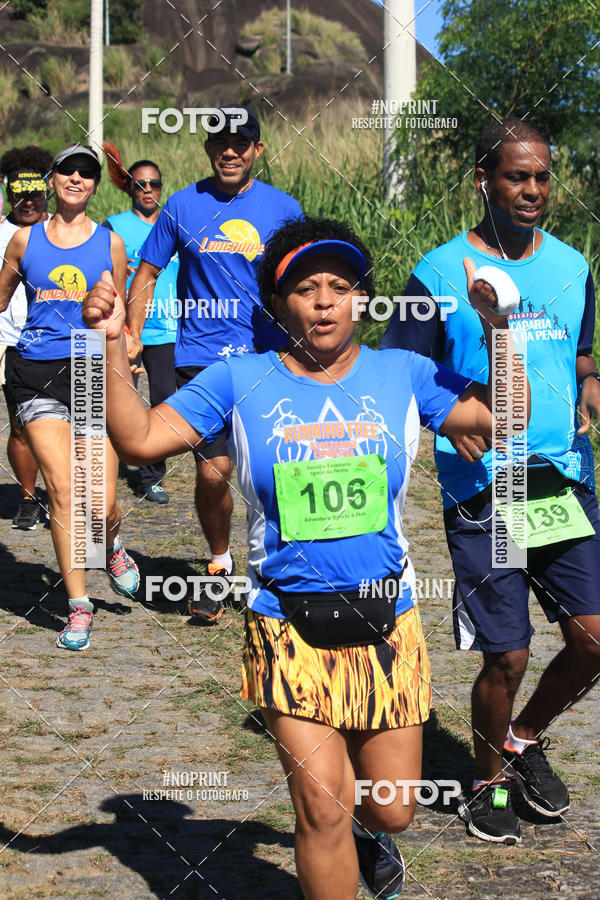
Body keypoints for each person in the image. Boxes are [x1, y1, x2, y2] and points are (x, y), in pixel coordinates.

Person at [83, 215, 528, 898]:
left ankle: (371, 837)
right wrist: (111, 342)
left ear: (362, 299)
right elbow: (140, 438)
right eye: (305, 288)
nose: (324, 302)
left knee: (391, 809)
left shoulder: (403, 373)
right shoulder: (238, 378)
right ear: (276, 302)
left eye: (340, 287)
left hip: (388, 620)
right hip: (285, 622)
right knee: (322, 810)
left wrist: (500, 327)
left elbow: (507, 418)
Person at [381, 117, 600, 844]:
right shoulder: (439, 272)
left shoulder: (572, 266)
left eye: (541, 177)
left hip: (562, 479)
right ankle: (486, 784)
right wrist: (444, 416)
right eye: (516, 176)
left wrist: (590, 384)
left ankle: (522, 738)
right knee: (507, 654)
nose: (532, 189)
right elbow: (400, 370)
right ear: (484, 180)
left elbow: (580, 353)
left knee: (595, 639)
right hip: (485, 488)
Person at [125, 105, 302, 622]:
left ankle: (282, 571)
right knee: (213, 470)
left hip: (268, 358)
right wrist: (133, 335)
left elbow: (302, 279)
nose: (230, 151)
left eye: (240, 143)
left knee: (278, 470)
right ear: (207, 148)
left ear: (257, 150)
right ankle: (220, 564)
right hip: (201, 361)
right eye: (220, 142)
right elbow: (146, 274)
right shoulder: (181, 205)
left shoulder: (284, 208)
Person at [0, 144, 140, 652]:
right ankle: (78, 607)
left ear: (96, 186)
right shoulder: (24, 240)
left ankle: (111, 544)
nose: (77, 178)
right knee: (62, 490)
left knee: (98, 502)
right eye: (68, 170)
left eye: (87, 173)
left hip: (88, 366)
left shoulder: (110, 243)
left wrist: (128, 344)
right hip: (35, 370)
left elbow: (119, 311)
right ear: (53, 179)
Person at [102, 142, 178, 504]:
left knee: (163, 401)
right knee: (120, 401)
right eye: (140, 184)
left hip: (166, 329)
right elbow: (99, 269)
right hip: (126, 328)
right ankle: (107, 468)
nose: (148, 190)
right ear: (130, 187)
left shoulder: (174, 225)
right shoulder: (115, 226)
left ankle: (151, 476)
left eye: (154, 184)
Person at [0, 145, 52, 529]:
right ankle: (29, 499)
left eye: (35, 194)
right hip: (11, 341)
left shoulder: (66, 230)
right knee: (21, 425)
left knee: (75, 425)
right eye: (20, 195)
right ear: (8, 194)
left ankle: (66, 496)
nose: (28, 202)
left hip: (63, 342)